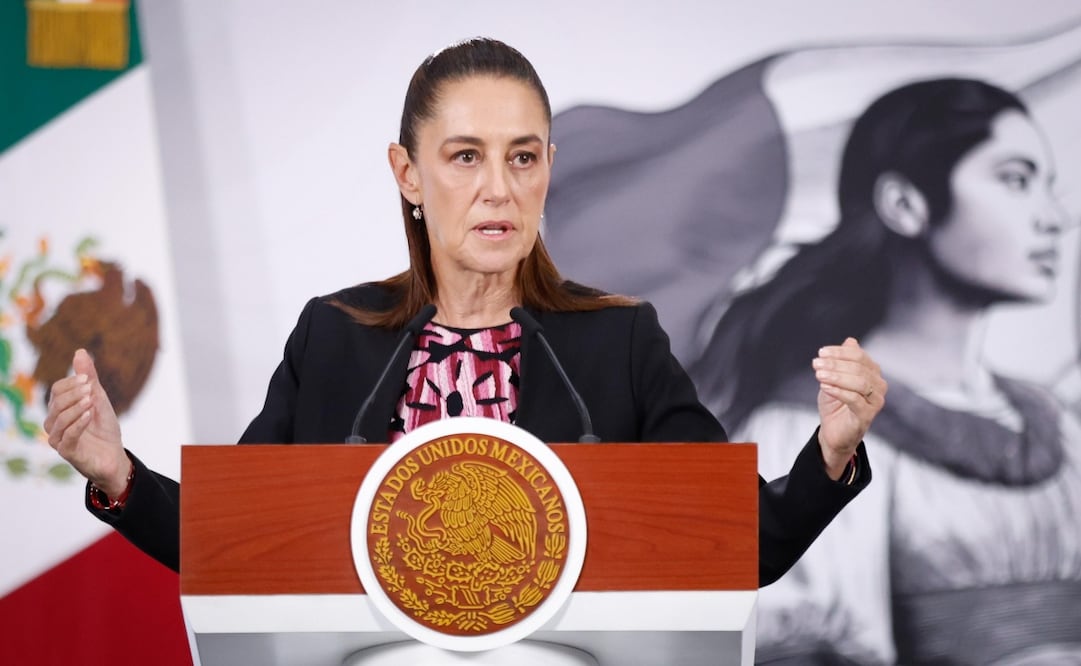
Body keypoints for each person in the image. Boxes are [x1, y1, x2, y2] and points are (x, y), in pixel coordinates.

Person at [43, 38, 884, 587]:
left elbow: (742, 544)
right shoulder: (332, 336)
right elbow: (236, 549)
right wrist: (117, 474)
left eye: (522, 157)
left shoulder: (618, 341)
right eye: (464, 157)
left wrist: (833, 452)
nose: (498, 188)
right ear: (407, 174)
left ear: (549, 167)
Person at [691, 78, 1076, 663]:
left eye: (1048, 187)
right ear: (905, 204)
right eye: (1016, 180)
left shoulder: (1062, 424)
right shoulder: (812, 428)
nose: (1056, 217)